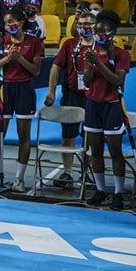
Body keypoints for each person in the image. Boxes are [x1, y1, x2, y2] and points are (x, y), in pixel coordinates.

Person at [0, 9, 44, 193]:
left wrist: (19, 59)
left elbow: (36, 71)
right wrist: (7, 59)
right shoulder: (2, 41)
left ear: (20, 22)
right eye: (5, 22)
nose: (8, 25)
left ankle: (19, 179)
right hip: (4, 89)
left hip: (24, 89)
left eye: (11, 21)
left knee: (23, 135)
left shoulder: (34, 42)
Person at [80, 10, 131, 210]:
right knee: (96, 151)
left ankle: (118, 193)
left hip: (111, 105)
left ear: (112, 32)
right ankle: (100, 190)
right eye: (96, 30)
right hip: (93, 104)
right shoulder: (91, 52)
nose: (99, 34)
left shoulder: (121, 54)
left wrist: (98, 63)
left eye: (103, 31)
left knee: (115, 151)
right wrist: (91, 65)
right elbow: (86, 81)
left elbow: (117, 81)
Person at [44, 12, 94, 189]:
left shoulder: (100, 46)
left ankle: (87, 174)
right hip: (72, 95)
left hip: (93, 97)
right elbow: (55, 68)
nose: (84, 27)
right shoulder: (70, 45)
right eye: (80, 24)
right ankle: (67, 173)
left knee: (91, 137)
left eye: (88, 23)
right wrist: (51, 92)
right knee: (68, 136)